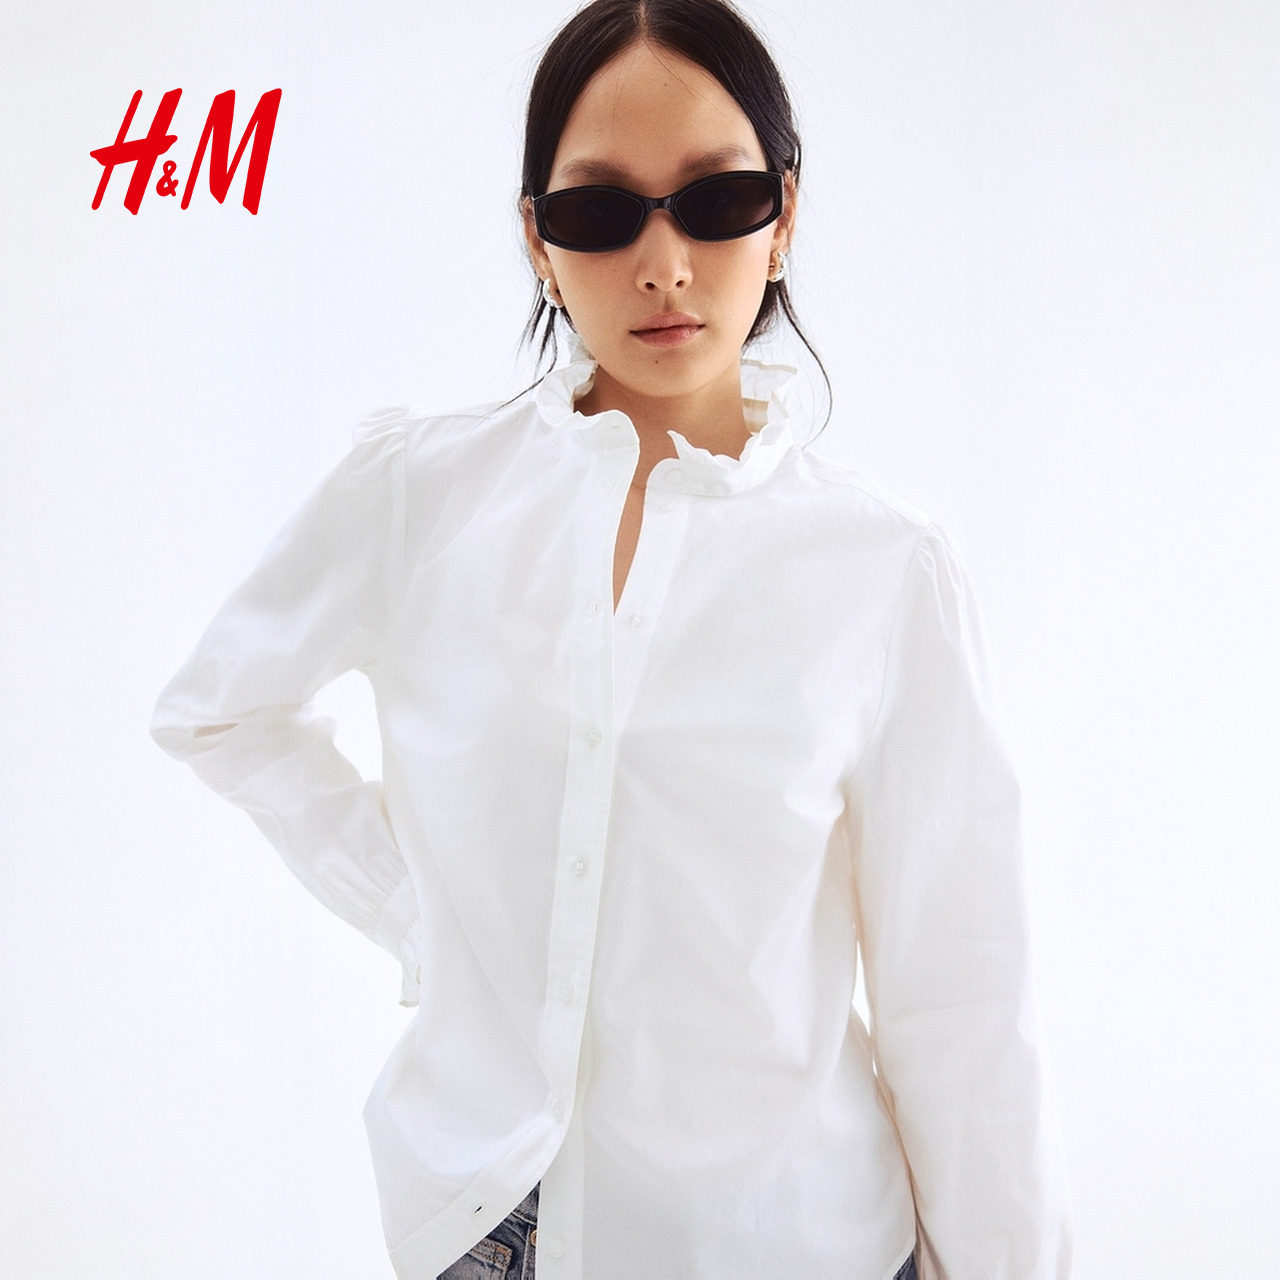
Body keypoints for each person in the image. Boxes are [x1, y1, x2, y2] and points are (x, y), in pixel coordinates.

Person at [150, 0, 1073, 1276]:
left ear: (783, 215)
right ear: (536, 238)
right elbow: (218, 709)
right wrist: (422, 912)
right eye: (599, 211)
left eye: (717, 200)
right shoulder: (421, 496)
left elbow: (957, 994)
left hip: (791, 1237)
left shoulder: (881, 569)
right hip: (485, 1219)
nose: (663, 262)